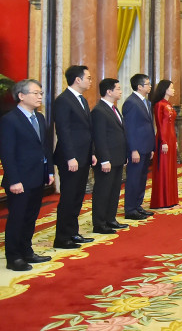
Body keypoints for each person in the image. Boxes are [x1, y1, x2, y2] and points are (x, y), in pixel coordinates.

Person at [0, 79, 54, 271]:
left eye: (41, 93)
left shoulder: (39, 118)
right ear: (21, 96)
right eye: (35, 93)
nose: (40, 96)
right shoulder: (10, 120)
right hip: (20, 179)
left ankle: (27, 250)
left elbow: (45, 147)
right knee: (17, 218)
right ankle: (14, 257)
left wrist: (49, 171)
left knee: (31, 217)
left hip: (37, 176)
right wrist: (14, 180)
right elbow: (7, 153)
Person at [53, 65, 96, 249]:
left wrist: (92, 152)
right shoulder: (63, 100)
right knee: (69, 196)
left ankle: (73, 232)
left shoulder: (82, 100)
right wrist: (70, 156)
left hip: (83, 156)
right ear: (77, 80)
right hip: (70, 158)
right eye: (88, 77)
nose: (90, 80)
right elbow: (63, 130)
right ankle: (62, 238)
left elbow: (87, 130)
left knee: (78, 196)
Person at [90, 78, 129, 234]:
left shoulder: (113, 108)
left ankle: (110, 219)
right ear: (109, 91)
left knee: (114, 190)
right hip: (106, 159)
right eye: (118, 89)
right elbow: (99, 137)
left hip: (117, 157)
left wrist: (124, 154)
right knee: (103, 191)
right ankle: (99, 223)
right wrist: (104, 159)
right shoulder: (99, 111)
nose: (120, 91)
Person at [122, 74, 156, 221]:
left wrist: (152, 147)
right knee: (134, 179)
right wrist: (133, 149)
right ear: (140, 86)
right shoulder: (131, 102)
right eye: (147, 84)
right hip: (136, 149)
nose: (150, 86)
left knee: (142, 178)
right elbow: (129, 128)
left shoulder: (146, 102)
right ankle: (130, 209)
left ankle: (138, 206)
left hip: (146, 146)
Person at [150, 79, 179, 209]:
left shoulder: (169, 104)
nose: (173, 90)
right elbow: (160, 125)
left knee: (171, 169)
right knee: (163, 169)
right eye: (171, 87)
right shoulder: (159, 105)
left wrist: (175, 140)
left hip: (171, 139)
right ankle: (162, 201)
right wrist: (164, 141)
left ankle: (171, 199)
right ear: (165, 89)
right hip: (164, 140)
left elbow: (171, 125)